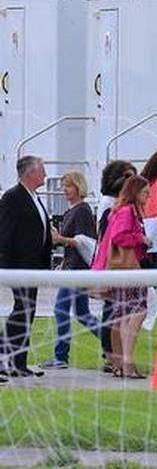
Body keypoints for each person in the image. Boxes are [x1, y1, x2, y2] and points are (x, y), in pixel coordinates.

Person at [92, 174, 150, 379]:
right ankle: (126, 361)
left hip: (117, 270)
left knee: (120, 317)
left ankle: (119, 362)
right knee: (137, 312)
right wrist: (141, 238)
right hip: (127, 269)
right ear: (135, 192)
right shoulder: (127, 212)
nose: (148, 196)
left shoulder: (119, 210)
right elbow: (119, 236)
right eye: (145, 192)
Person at [0, 156, 53, 378]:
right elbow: (5, 232)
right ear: (30, 173)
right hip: (19, 265)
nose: (46, 175)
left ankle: (18, 362)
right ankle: (6, 356)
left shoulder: (34, 197)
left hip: (33, 265)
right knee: (22, 309)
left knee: (28, 310)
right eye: (42, 171)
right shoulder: (13, 197)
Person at [42, 171, 100, 370]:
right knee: (83, 314)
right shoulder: (73, 211)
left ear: (78, 187)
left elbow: (85, 241)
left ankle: (61, 356)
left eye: (67, 186)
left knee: (61, 310)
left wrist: (61, 240)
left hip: (76, 269)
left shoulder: (82, 211)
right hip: (72, 266)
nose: (64, 190)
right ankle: (110, 342)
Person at [95, 161, 136, 372]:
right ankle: (113, 356)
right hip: (112, 264)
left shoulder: (112, 205)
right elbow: (112, 238)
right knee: (115, 312)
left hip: (109, 263)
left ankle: (112, 356)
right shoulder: (113, 207)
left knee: (113, 311)